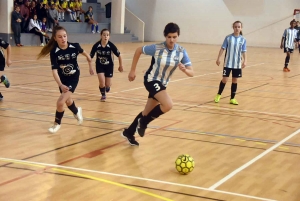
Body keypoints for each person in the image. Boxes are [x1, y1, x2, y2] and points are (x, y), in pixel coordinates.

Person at [121, 22, 194, 146]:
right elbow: (139, 50)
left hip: (163, 84)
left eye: (174, 37)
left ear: (178, 36)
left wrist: (185, 70)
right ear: (165, 36)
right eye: (169, 37)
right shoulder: (157, 48)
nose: (172, 40)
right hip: (151, 80)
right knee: (168, 104)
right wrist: (132, 70)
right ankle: (143, 123)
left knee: (146, 112)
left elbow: (192, 72)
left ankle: (129, 132)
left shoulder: (181, 51)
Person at [37, 26, 94, 133]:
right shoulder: (54, 52)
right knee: (67, 100)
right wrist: (60, 85)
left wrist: (90, 65)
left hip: (73, 77)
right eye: (60, 37)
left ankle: (56, 124)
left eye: (64, 36)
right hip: (62, 79)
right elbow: (54, 71)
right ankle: (77, 112)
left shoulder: (75, 46)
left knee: (60, 102)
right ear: (55, 38)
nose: (63, 39)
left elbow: (87, 56)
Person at [214, 21, 247, 105]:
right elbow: (222, 48)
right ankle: (218, 95)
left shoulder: (243, 39)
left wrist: (245, 60)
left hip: (237, 64)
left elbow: (244, 51)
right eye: (235, 27)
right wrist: (218, 58)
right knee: (225, 79)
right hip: (228, 64)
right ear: (233, 27)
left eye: (238, 27)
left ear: (241, 28)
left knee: (235, 80)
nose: (237, 28)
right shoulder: (228, 38)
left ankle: (232, 98)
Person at [90, 28, 123, 101]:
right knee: (102, 82)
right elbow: (90, 57)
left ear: (109, 37)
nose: (105, 36)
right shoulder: (96, 45)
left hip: (109, 66)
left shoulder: (111, 45)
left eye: (107, 35)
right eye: (104, 35)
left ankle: (107, 87)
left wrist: (120, 66)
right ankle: (103, 95)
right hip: (99, 65)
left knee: (107, 84)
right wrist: (90, 68)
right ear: (101, 36)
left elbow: (119, 55)